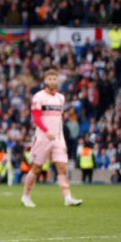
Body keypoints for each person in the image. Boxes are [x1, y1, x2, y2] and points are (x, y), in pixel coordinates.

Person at [21, 69, 83, 208]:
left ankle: (68, 197)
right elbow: (36, 118)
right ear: (45, 80)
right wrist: (46, 131)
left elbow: (59, 119)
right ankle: (26, 195)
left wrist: (61, 138)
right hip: (43, 137)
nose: (52, 81)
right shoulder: (39, 97)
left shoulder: (61, 98)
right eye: (49, 79)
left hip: (57, 138)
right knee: (37, 169)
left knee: (62, 167)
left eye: (54, 79)